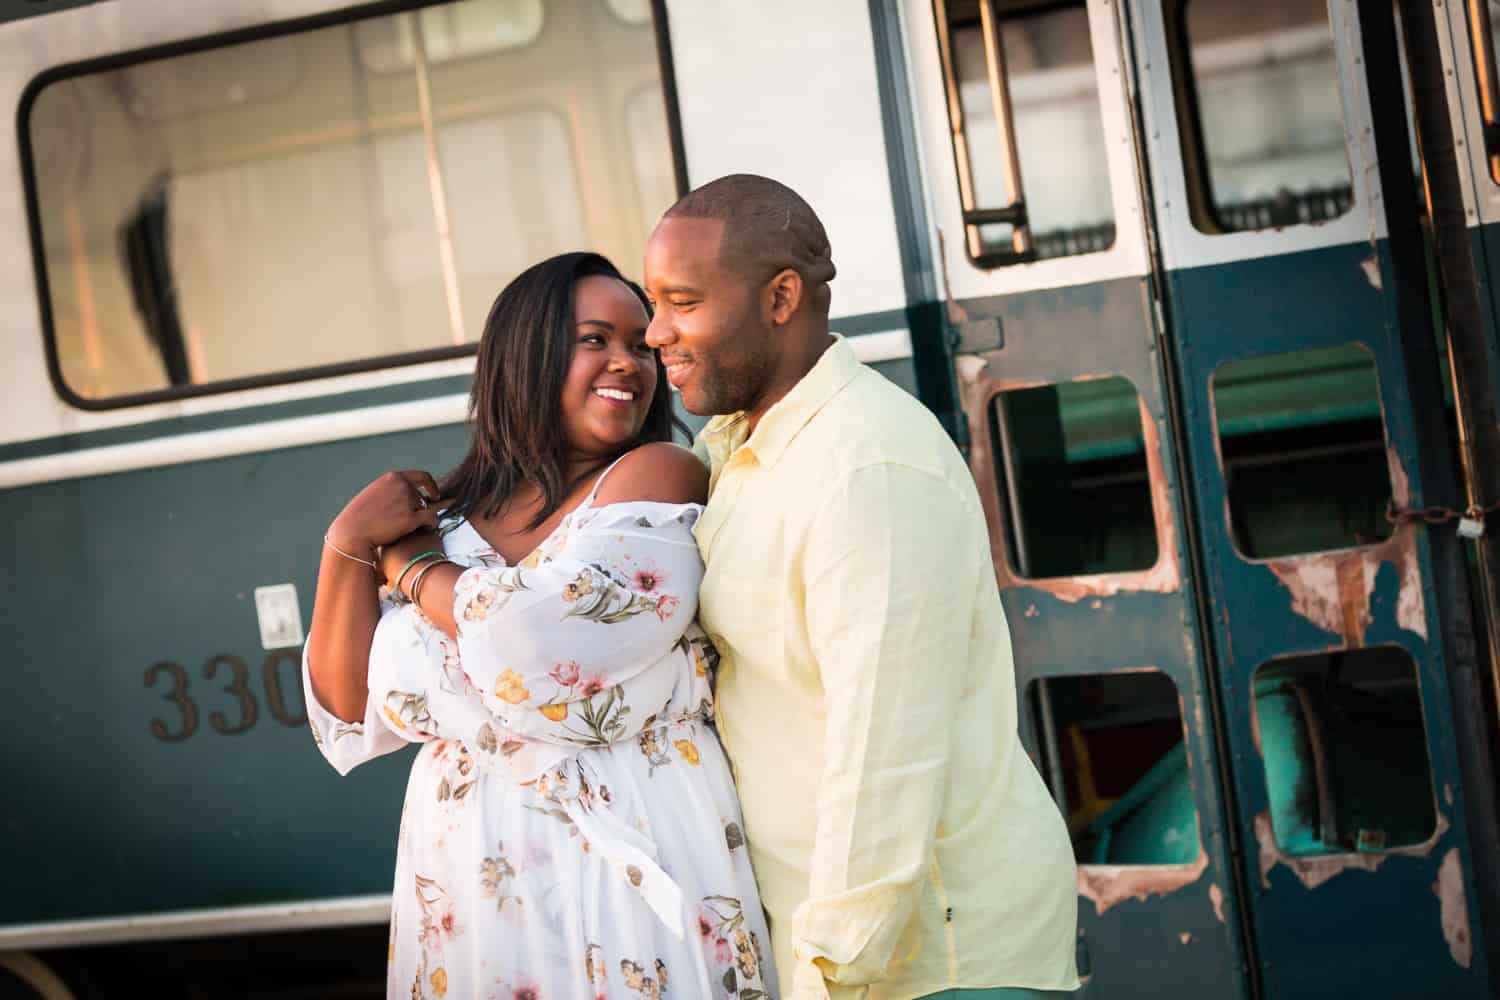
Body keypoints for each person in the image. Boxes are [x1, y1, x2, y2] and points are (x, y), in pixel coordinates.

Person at [642, 175, 1080, 1000]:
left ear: (780, 298)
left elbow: (885, 758)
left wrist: (827, 977)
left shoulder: (864, 469)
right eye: (652, 303)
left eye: (682, 301)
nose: (655, 332)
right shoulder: (743, 447)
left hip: (930, 967)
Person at [303, 252, 778, 1000]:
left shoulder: (656, 473)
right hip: (472, 862)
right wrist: (346, 545)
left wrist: (414, 575)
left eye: (639, 343)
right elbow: (349, 710)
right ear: (527, 355)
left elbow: (540, 648)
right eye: (596, 339)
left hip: (635, 833)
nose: (629, 361)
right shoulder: (448, 519)